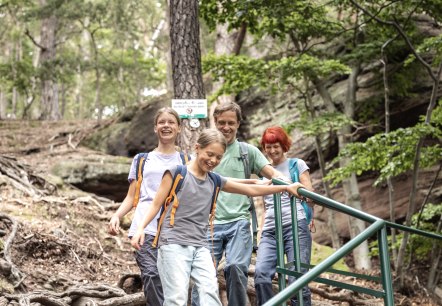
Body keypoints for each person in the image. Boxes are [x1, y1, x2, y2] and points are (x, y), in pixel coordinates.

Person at [130, 129, 305, 306]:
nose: (213, 160)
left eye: (218, 157)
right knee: (177, 298)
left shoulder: (213, 180)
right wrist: (140, 229)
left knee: (209, 293)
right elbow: (155, 204)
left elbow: (249, 190)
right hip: (173, 243)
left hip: (200, 246)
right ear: (197, 148)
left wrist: (284, 187)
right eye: (210, 154)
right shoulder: (176, 173)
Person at [208, 102, 285, 305]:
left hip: (239, 222)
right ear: (215, 122)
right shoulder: (208, 152)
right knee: (204, 274)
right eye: (221, 122)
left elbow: (272, 173)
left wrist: (290, 185)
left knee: (235, 267)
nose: (226, 127)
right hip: (210, 224)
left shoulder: (246, 151)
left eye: (231, 123)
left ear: (238, 124)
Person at [108, 107, 186, 306]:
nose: (166, 126)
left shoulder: (186, 161)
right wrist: (116, 215)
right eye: (162, 122)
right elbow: (131, 196)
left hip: (174, 230)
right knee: (151, 274)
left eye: (171, 122)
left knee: (173, 279)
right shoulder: (142, 160)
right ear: (155, 128)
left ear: (179, 128)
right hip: (144, 228)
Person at [254, 126, 314, 306]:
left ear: (284, 145)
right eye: (268, 146)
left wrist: (295, 190)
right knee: (261, 275)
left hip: (296, 225)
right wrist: (261, 231)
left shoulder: (297, 164)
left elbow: (309, 193)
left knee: (297, 281)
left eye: (276, 146)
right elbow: (266, 207)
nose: (272, 151)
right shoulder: (264, 172)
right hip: (270, 231)